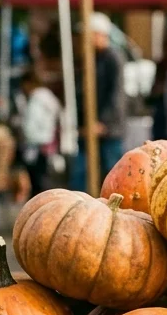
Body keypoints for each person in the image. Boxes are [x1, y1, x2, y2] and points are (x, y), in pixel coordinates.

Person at [70, 12, 128, 190]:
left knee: (112, 175)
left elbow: (116, 94)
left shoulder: (113, 58)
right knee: (82, 174)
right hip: (88, 127)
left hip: (108, 129)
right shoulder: (89, 58)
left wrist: (103, 122)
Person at [19, 68, 62, 196]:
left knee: (38, 184)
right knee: (44, 180)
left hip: (37, 144)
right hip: (48, 143)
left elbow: (30, 126)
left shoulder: (36, 99)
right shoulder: (49, 97)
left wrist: (25, 138)